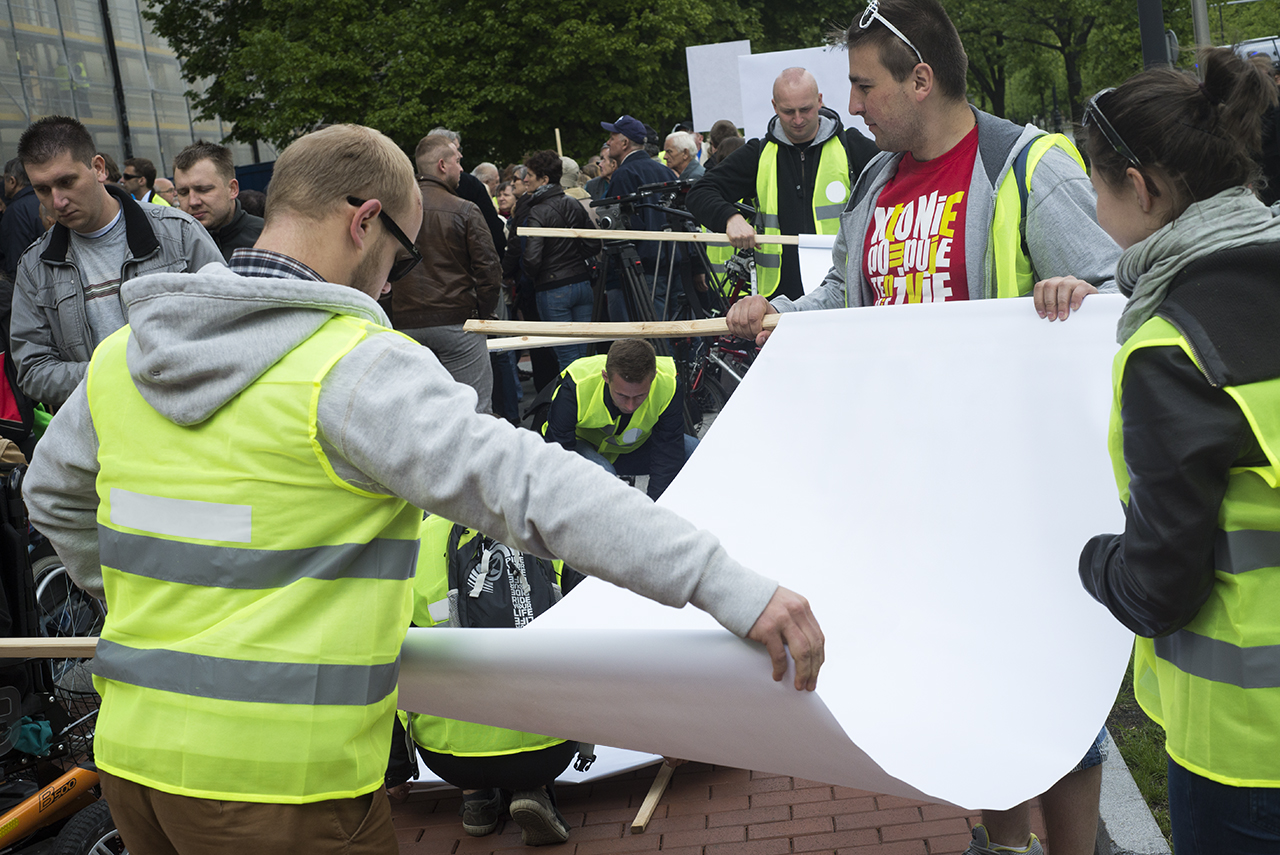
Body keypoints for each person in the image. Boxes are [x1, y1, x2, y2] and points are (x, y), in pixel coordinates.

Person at [22, 121, 824, 855]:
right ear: (364, 221)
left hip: (135, 764)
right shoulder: (347, 368)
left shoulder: (126, 358)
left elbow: (52, 495)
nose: (390, 285)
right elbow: (536, 489)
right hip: (281, 783)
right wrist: (728, 585)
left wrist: (134, 595)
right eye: (402, 256)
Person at [726, 3, 1120, 854]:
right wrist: (781, 314)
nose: (852, 106)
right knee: (974, 683)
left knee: (1052, 683)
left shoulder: (1024, 166)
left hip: (1024, 492)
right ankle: (1003, 842)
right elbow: (844, 298)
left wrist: (1083, 294)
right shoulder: (877, 181)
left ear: (921, 80)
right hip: (918, 493)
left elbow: (1121, 289)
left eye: (864, 86)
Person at [1075, 48, 1280, 855]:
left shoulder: (1170, 347)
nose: (1094, 213)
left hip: (1246, 746)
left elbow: (1160, 589)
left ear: (1142, 188)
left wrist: (1093, 560)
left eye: (1096, 187)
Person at [385, 514, 586, 846]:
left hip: (449, 757)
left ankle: (476, 798)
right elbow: (606, 627)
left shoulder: (413, 539)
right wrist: (659, 736)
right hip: (547, 749)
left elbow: (386, 663)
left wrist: (395, 768)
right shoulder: (543, 524)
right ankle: (535, 791)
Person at [11, 117, 223, 408]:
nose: (57, 201)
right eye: (43, 190)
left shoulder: (179, 233)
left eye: (66, 182)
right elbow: (33, 371)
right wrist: (119, 374)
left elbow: (228, 326)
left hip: (192, 414)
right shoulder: (35, 268)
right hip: (101, 430)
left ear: (98, 168)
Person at [687, 68, 879, 302]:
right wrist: (730, 217)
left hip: (842, 292)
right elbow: (699, 192)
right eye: (788, 112)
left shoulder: (850, 145)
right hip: (780, 299)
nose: (797, 120)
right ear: (774, 106)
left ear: (819, 101)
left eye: (805, 109)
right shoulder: (759, 153)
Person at [393, 133, 500, 413]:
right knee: (475, 412)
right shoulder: (464, 209)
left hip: (405, 325)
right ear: (442, 165)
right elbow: (489, 270)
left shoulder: (392, 213)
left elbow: (379, 269)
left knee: (421, 412)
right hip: (458, 322)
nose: (461, 169)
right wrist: (481, 313)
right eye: (458, 161)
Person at [542, 339, 695, 501]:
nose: (630, 406)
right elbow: (559, 453)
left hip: (626, 450)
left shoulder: (668, 384)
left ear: (653, 377)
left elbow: (668, 451)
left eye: (640, 395)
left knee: (693, 450)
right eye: (622, 395)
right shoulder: (577, 384)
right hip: (579, 446)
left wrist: (655, 508)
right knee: (604, 476)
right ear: (606, 377)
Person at [518, 150, 598, 373]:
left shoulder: (537, 211)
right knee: (586, 354)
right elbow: (593, 244)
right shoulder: (573, 203)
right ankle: (591, 394)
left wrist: (534, 274)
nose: (525, 179)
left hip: (553, 289)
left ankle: (574, 397)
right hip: (581, 282)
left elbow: (532, 259)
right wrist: (573, 259)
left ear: (544, 179)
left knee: (568, 358)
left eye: (530, 175)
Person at [173, 140, 264, 262]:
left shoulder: (267, 239)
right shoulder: (173, 247)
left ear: (232, 189)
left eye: (203, 190)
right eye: (183, 193)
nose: (193, 202)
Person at [1, 158, 43, 285]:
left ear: (12, 181)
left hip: (28, 285)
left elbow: (16, 259)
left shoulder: (16, 210)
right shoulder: (44, 200)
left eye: (4, 180)